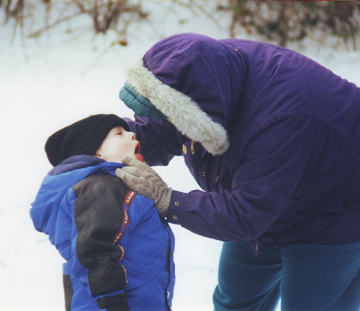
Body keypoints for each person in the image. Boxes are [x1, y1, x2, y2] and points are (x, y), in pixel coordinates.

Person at [114, 33, 360, 310]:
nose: (170, 121)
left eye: (174, 114)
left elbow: (247, 212)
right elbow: (166, 125)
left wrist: (168, 201)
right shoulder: (206, 73)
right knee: (234, 301)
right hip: (264, 198)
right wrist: (107, 140)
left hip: (334, 213)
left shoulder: (282, 120)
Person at [30, 114, 175, 311]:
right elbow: (94, 248)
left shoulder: (118, 187)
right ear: (97, 153)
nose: (132, 134)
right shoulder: (102, 187)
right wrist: (112, 303)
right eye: (119, 133)